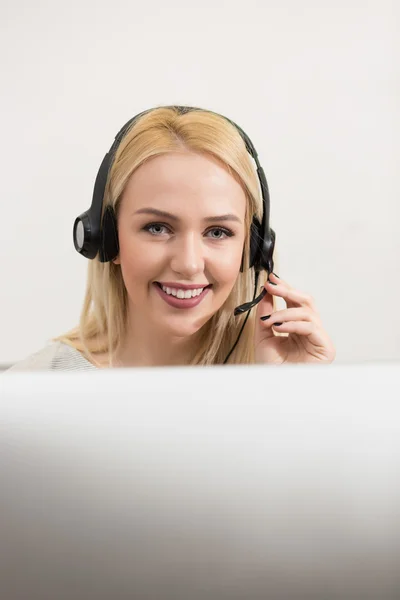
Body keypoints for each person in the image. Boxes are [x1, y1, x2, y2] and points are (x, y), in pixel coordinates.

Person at [7, 105, 335, 371]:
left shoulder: (281, 370)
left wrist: (294, 394)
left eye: (218, 232)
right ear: (108, 238)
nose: (189, 263)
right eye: (158, 228)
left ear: (251, 249)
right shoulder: (33, 388)